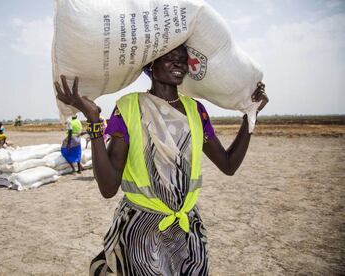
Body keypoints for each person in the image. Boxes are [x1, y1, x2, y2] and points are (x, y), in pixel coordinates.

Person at [54, 44, 268, 275]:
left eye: (182, 59)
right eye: (169, 58)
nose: (178, 63)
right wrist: (94, 119)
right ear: (150, 65)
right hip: (142, 233)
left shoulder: (197, 111)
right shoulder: (129, 108)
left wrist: (250, 116)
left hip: (188, 231)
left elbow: (228, 165)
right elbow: (108, 187)